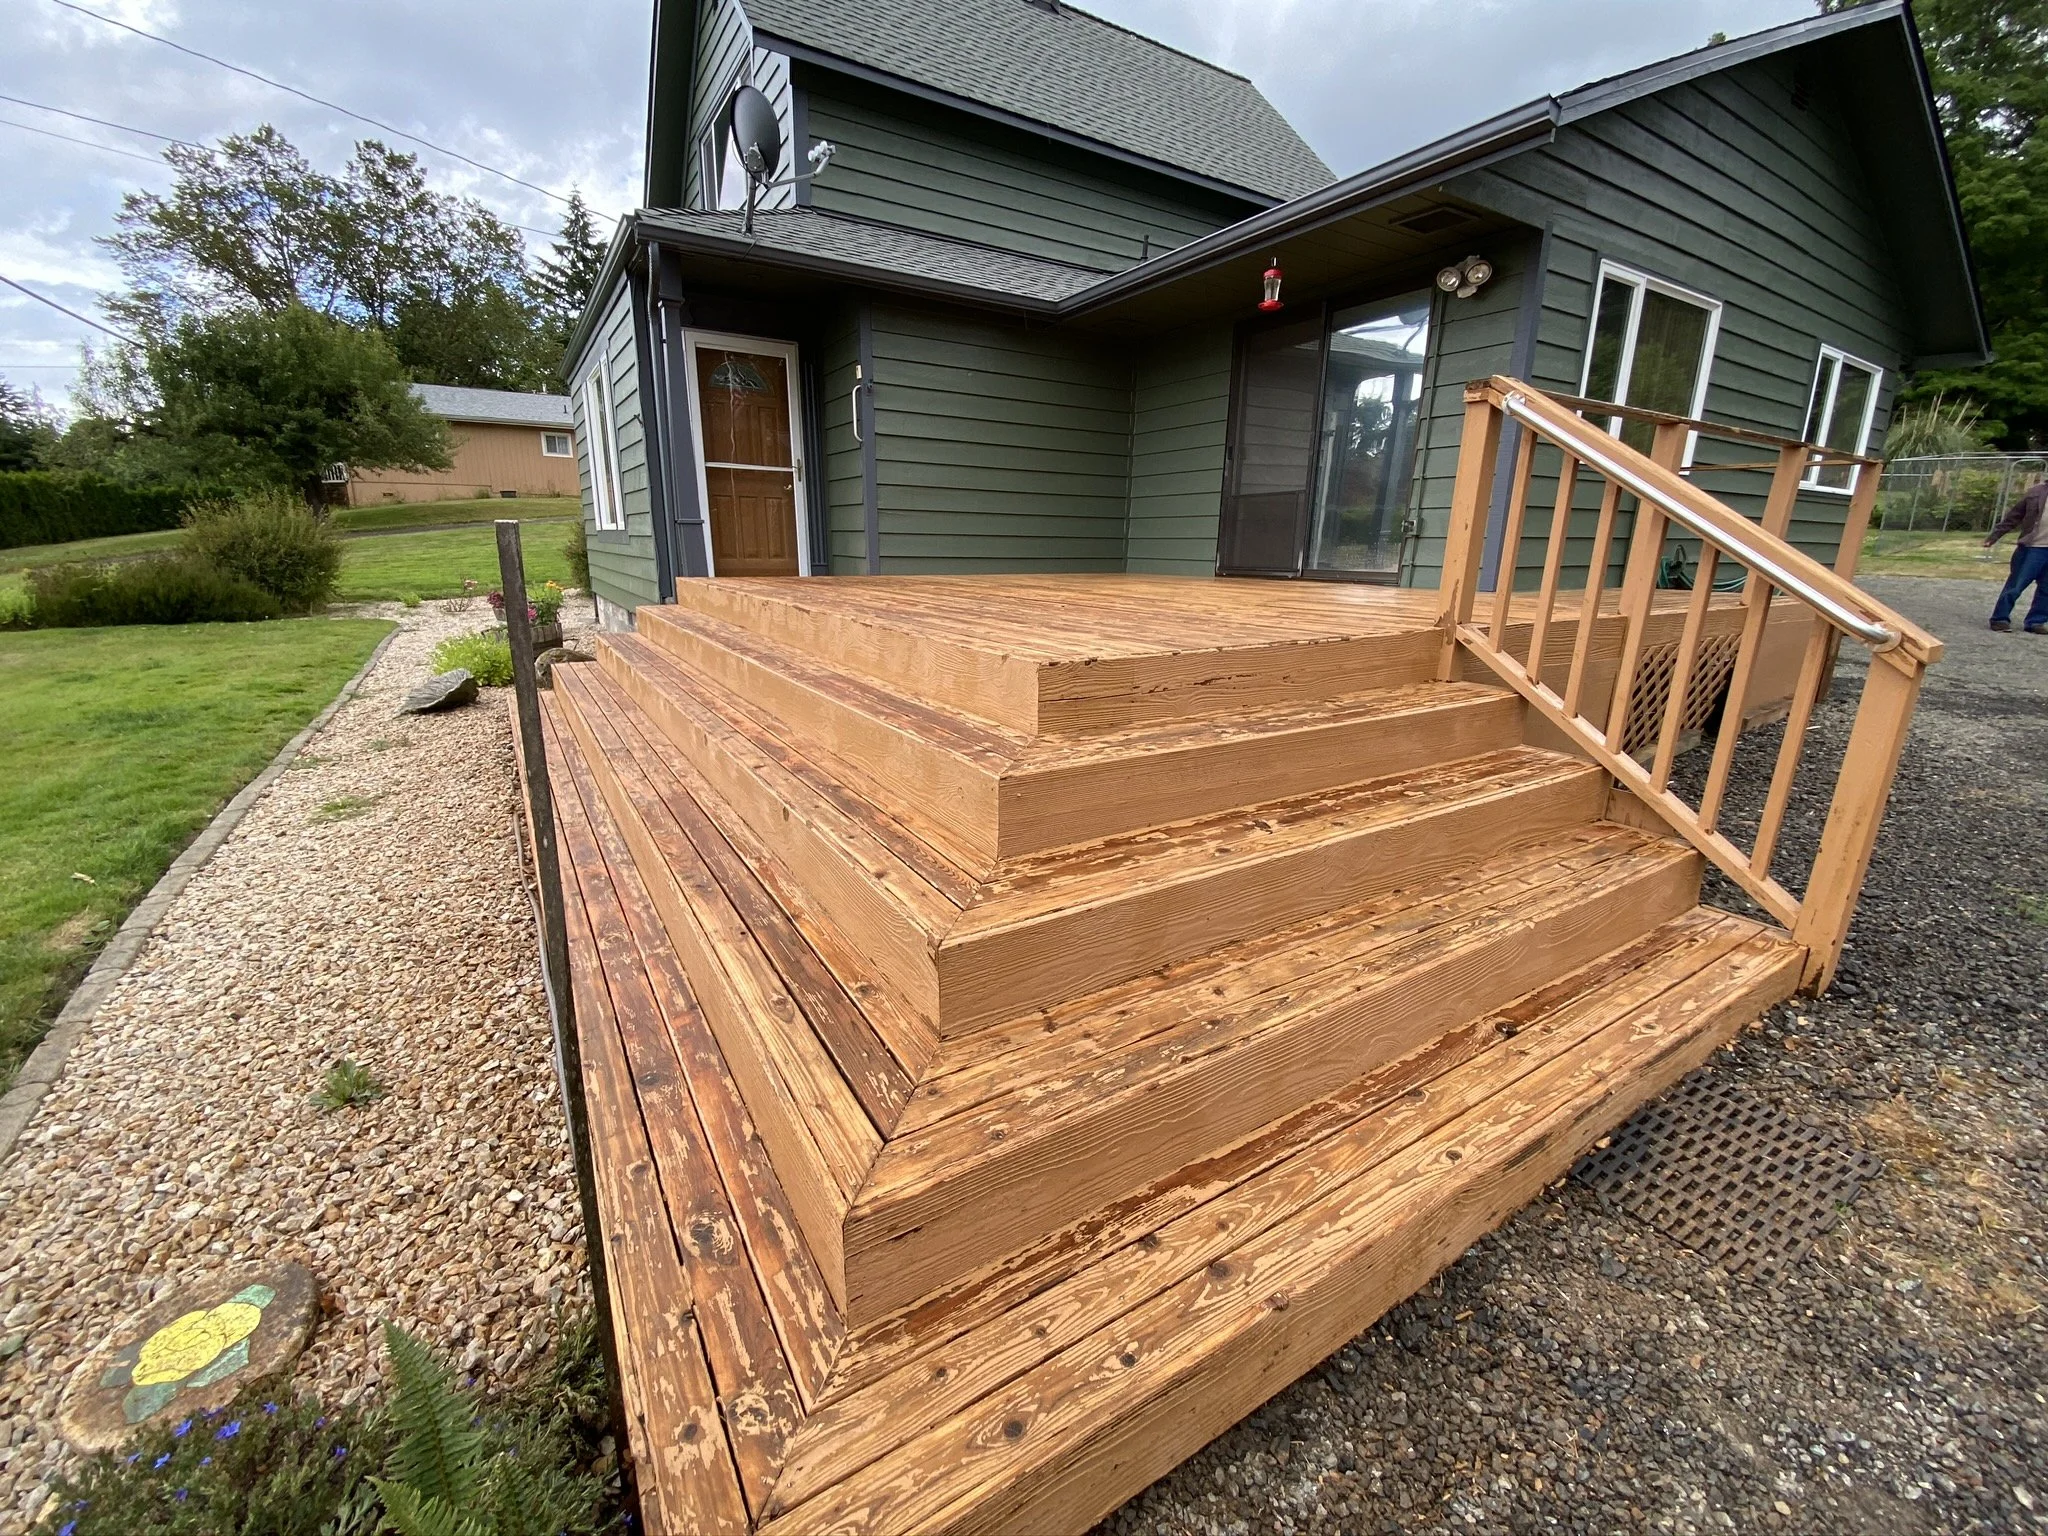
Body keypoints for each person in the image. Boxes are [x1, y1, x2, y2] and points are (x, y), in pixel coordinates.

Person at [1985, 476, 2048, 633]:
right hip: (2033, 547)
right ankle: (2000, 618)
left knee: (2046, 589)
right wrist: (1995, 536)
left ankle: (2036, 622)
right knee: (2016, 584)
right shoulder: (2036, 492)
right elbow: (2014, 516)